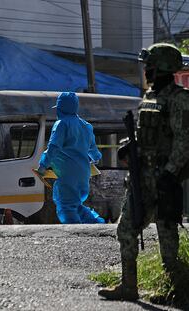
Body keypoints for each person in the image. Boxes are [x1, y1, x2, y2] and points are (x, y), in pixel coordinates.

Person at [98, 43, 189, 301]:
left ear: (161, 68)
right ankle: (129, 286)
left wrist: (170, 174)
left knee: (166, 234)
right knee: (126, 228)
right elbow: (145, 136)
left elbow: (184, 140)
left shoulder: (179, 99)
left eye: (149, 66)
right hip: (142, 176)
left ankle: (175, 289)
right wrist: (130, 149)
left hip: (164, 177)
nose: (146, 71)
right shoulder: (149, 97)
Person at [37, 92, 104, 224]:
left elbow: (54, 147)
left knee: (65, 206)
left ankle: (74, 236)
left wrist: (43, 165)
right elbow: (94, 153)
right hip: (84, 174)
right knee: (76, 205)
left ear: (60, 108)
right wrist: (95, 158)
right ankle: (97, 225)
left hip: (67, 175)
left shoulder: (61, 124)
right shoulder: (86, 126)